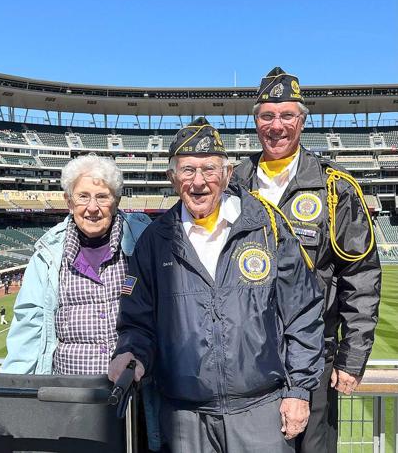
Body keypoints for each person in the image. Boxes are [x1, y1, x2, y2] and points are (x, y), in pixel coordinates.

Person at [109, 117, 325, 453]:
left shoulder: (267, 227)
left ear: (226, 175)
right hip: (185, 419)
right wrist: (131, 353)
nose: (199, 182)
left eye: (209, 169)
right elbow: (138, 321)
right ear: (171, 178)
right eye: (187, 170)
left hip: (261, 412)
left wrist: (299, 390)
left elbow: (303, 313)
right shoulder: (154, 242)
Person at [233, 67, 382, 453]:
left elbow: (361, 277)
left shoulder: (336, 188)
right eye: (267, 116)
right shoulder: (234, 185)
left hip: (315, 358)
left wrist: (352, 358)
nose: (276, 126)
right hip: (249, 359)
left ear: (302, 120)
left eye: (287, 116)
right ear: (255, 121)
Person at [1, 154, 151, 375]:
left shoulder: (143, 242)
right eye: (83, 196)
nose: (92, 207)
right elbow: (29, 327)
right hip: (68, 395)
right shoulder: (47, 256)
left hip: (132, 391)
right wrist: (15, 392)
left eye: (102, 197)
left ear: (117, 202)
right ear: (69, 202)